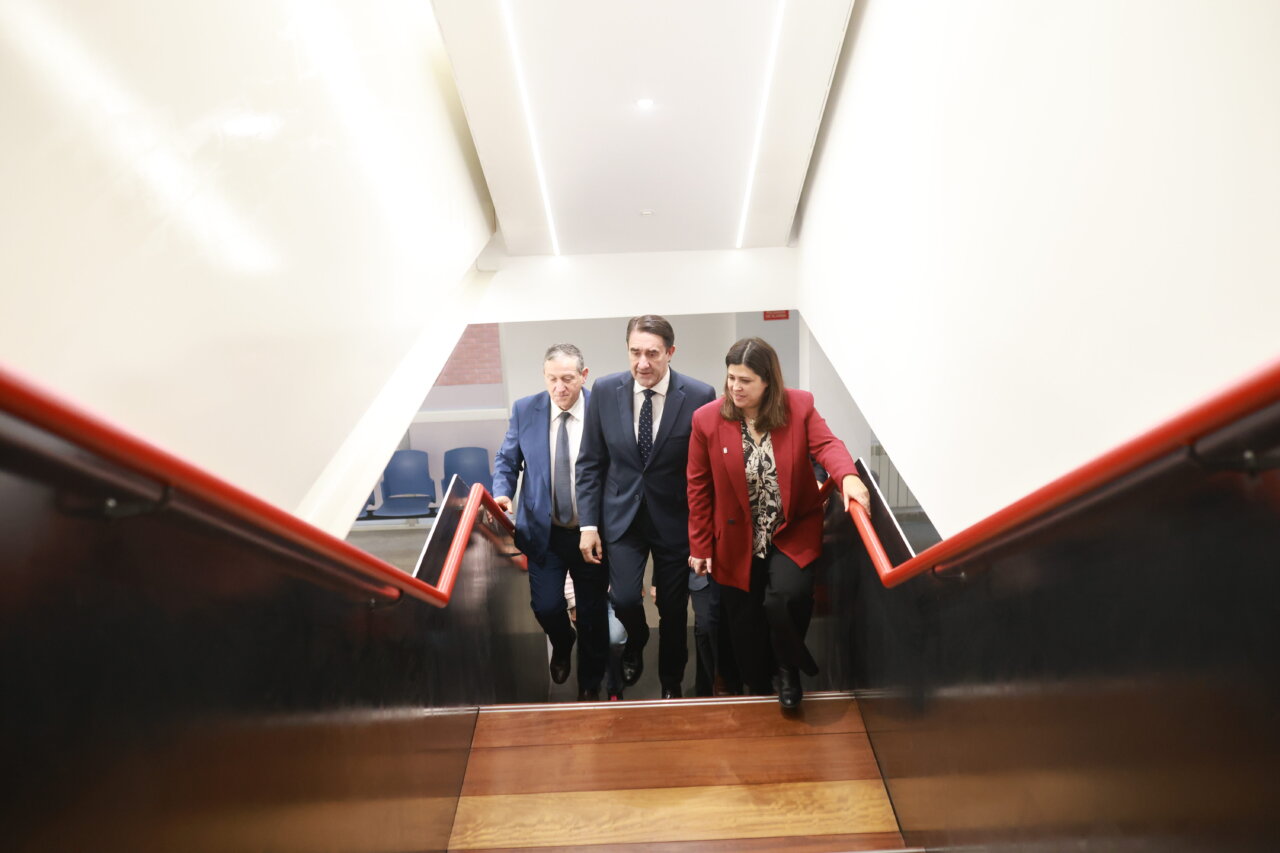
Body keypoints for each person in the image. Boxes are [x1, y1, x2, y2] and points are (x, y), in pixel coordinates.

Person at [686, 337, 871, 710]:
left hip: (790, 530)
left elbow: (827, 446)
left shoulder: (798, 406)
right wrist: (700, 545)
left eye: (745, 380)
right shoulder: (707, 419)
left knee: (787, 597)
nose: (735, 387)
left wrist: (847, 477)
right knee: (745, 624)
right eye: (731, 378)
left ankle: (789, 669)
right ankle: (757, 688)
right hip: (736, 538)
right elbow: (698, 486)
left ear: (767, 381)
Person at [576, 315, 717, 699]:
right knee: (622, 598)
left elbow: (707, 470)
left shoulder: (700, 395)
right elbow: (590, 462)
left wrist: (706, 531)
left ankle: (672, 684)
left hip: (675, 521)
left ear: (670, 353)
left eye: (653, 353)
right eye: (635, 352)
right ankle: (636, 641)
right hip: (621, 517)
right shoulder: (604, 391)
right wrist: (588, 524)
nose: (643, 363)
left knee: (673, 612)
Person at [494, 344, 609, 701]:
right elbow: (506, 460)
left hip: (592, 533)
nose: (560, 387)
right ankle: (562, 641)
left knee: (591, 614)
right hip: (544, 531)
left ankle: (590, 685)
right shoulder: (526, 409)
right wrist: (502, 492)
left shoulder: (602, 411)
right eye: (552, 379)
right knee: (545, 606)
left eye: (568, 379)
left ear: (583, 376)